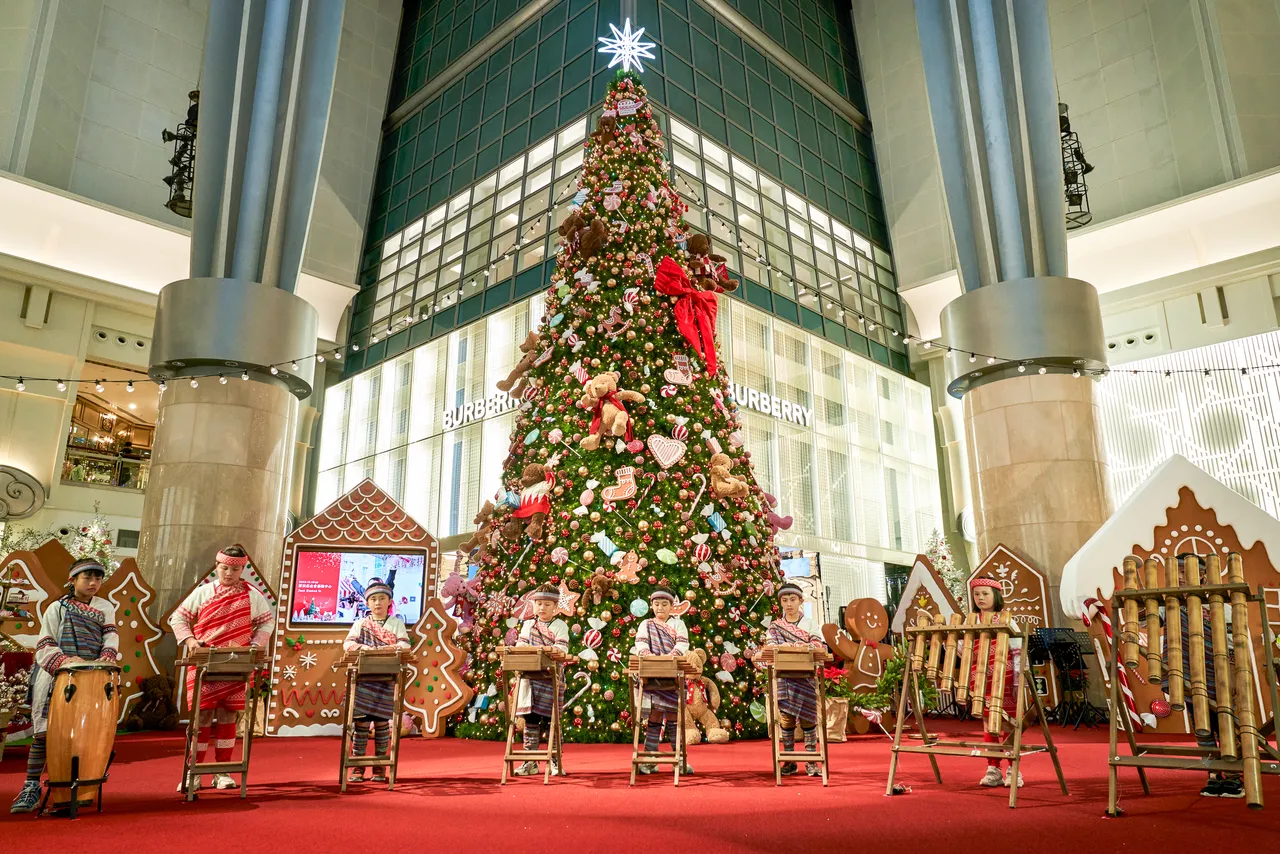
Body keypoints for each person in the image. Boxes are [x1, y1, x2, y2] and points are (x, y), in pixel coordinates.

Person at [11, 559, 119, 813]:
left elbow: (110, 636)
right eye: (87, 578)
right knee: (45, 734)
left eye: (98, 578)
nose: (93, 583)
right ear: (72, 580)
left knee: (83, 736)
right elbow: (45, 642)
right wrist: (65, 661)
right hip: (58, 677)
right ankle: (31, 787)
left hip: (92, 678)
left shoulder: (105, 607)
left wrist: (105, 659)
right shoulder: (57, 608)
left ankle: (73, 791)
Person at [169, 545, 273, 792]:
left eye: (234, 569)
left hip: (236, 663)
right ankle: (193, 772)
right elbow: (178, 618)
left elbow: (266, 623)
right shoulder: (203, 592)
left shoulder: (253, 595)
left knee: (228, 716)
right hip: (205, 662)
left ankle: (222, 771)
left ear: (242, 569)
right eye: (224, 568)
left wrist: (254, 646)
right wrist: (191, 641)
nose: (228, 573)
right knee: (202, 717)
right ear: (217, 566)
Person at [1162, 553, 1244, 799]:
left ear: (1202, 575)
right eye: (1176, 571)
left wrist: (1232, 674)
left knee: (1226, 726)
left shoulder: (1220, 607)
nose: (1179, 576)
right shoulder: (1171, 606)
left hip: (1219, 675)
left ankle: (1233, 776)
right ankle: (1212, 774)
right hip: (1188, 676)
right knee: (1202, 728)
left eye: (1184, 571)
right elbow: (1144, 621)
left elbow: (1233, 644)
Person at [342, 579, 411, 783]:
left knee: (382, 724)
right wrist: (364, 649)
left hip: (386, 681)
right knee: (361, 723)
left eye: (382, 598)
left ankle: (380, 767)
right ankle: (357, 766)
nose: (378, 602)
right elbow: (348, 644)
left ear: (389, 601)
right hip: (364, 681)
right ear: (367, 602)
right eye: (373, 599)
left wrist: (387, 649)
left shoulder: (396, 623)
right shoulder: (361, 624)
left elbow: (405, 646)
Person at [764, 582, 827, 776]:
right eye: (784, 600)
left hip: (806, 677)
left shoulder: (810, 623)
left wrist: (800, 646)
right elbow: (771, 646)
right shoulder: (775, 626)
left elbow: (817, 644)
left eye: (792, 599)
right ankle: (789, 760)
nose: (789, 604)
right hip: (784, 678)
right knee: (786, 719)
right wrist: (794, 647)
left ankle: (811, 761)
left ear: (801, 601)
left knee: (809, 719)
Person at [967, 577, 1024, 789]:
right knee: (988, 724)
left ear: (996, 595)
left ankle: (1013, 769)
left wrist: (1017, 680)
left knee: (1008, 724)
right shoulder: (971, 620)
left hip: (1005, 679)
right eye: (976, 594)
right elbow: (965, 651)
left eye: (985, 593)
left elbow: (1017, 651)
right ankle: (993, 768)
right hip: (981, 680)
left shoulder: (1007, 619)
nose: (980, 598)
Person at [632, 588, 693, 775]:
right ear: (651, 606)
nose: (660, 608)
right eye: (656, 604)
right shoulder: (646, 624)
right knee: (655, 715)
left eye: (664, 604)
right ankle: (650, 759)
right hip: (652, 676)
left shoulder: (679, 624)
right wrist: (649, 657)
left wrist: (670, 657)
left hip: (672, 676)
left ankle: (679, 759)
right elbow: (640, 643)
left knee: (674, 716)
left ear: (671, 606)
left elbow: (682, 644)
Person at [512, 584, 568, 777]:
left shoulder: (560, 626)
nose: (542, 608)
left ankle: (554, 760)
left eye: (547, 604)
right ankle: (530, 761)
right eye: (539, 603)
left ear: (555, 607)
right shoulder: (528, 625)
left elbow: (562, 650)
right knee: (530, 719)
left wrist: (544, 651)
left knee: (552, 721)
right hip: (530, 679)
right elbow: (521, 644)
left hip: (551, 679)